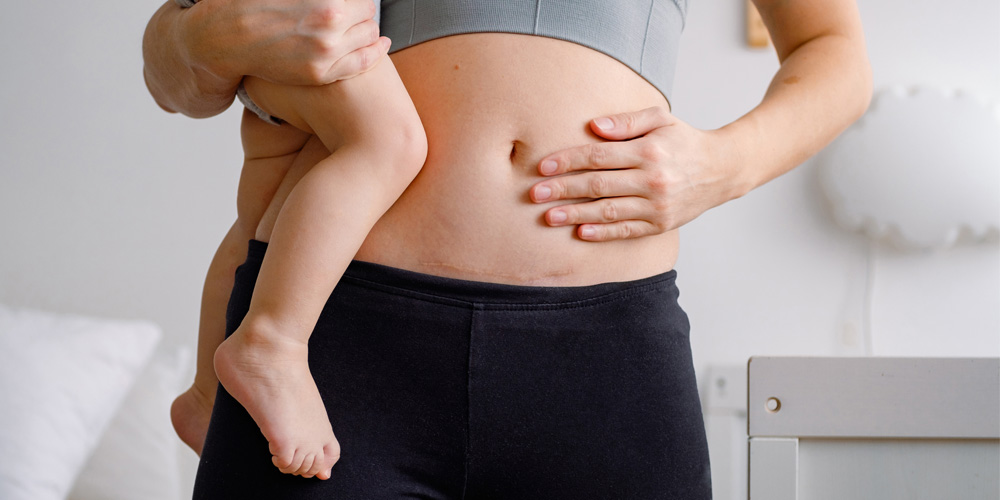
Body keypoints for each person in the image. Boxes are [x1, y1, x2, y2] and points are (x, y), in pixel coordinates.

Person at [145, 0, 872, 497]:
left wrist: (726, 165)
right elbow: (170, 58)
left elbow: (836, 56)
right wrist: (203, 39)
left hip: (606, 357)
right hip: (336, 344)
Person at [161, 0, 426, 481]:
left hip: (289, 34)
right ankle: (272, 342)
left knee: (259, 227)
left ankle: (204, 395)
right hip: (308, 19)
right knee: (390, 141)